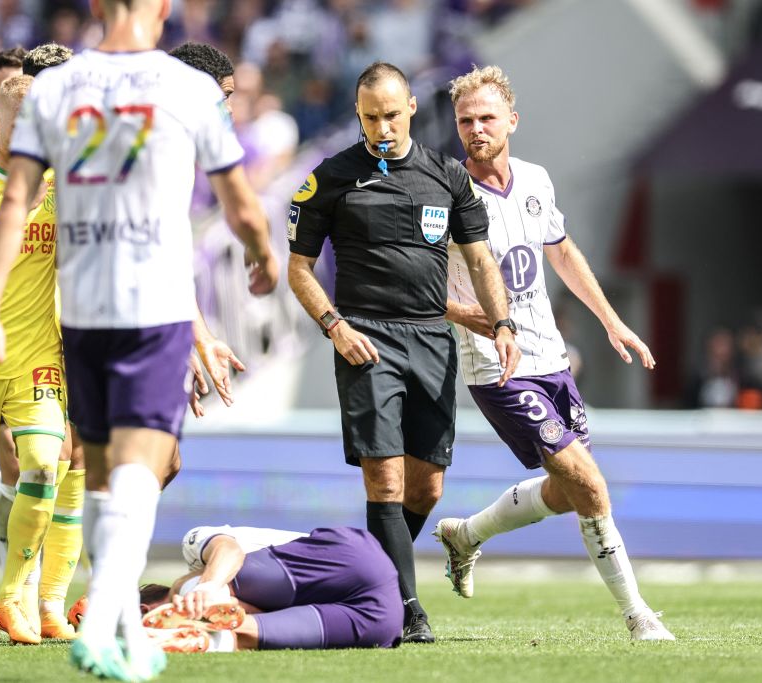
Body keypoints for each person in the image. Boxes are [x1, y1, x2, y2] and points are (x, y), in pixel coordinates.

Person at [0, 0, 278, 680]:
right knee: (145, 467)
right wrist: (264, 254)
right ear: (164, 8)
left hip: (79, 311)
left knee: (101, 477)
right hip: (151, 305)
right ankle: (105, 614)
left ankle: (116, 629)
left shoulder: (56, 90)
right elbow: (240, 201)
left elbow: (15, 200)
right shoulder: (185, 88)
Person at [433, 65, 674, 641]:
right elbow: (425, 293)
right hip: (498, 368)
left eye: (487, 117)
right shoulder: (445, 194)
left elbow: (562, 253)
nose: (475, 129)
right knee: (590, 484)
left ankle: (465, 535)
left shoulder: (537, 180)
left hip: (552, 358)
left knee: (569, 494)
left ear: (513, 120)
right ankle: (639, 617)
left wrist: (612, 322)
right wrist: (491, 323)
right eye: (465, 121)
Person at [287, 61, 520, 644]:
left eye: (391, 114)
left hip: (431, 340)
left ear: (412, 107)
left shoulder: (447, 177)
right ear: (358, 116)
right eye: (370, 117)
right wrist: (334, 325)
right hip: (365, 338)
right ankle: (407, 610)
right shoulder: (330, 178)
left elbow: (480, 260)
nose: (382, 127)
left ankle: (362, 575)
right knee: (385, 483)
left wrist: (502, 322)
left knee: (427, 489)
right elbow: (299, 270)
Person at [0, 74, 79, 645]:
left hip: (38, 352)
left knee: (44, 464)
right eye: (23, 124)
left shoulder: (63, 183)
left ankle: (14, 598)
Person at [68, 525, 403, 652]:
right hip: (380, 618)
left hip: (343, 559)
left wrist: (209, 586)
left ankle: (194, 607)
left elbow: (229, 550)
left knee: (193, 588)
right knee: (236, 637)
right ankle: (190, 637)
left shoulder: (194, 541)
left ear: (144, 609)